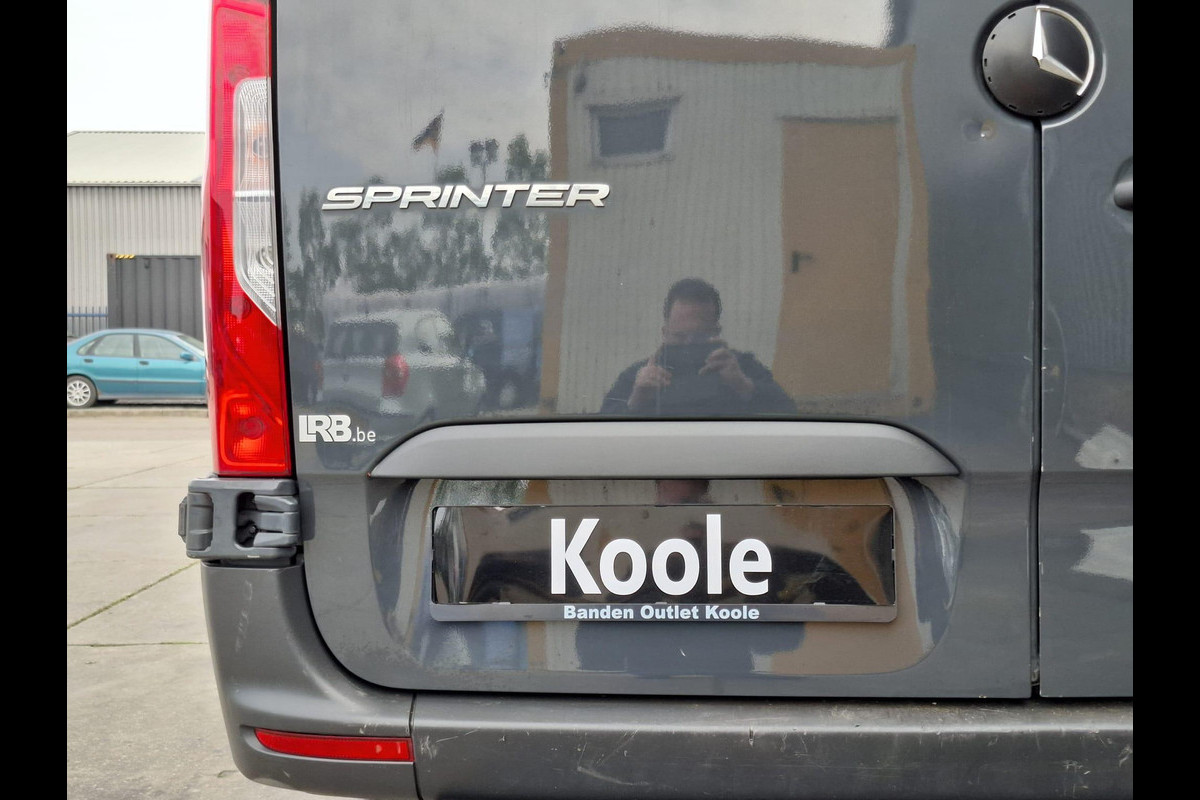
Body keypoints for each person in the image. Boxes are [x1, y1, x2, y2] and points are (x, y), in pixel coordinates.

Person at [600, 278, 796, 415]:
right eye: (679, 337)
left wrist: (744, 385)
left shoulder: (741, 368)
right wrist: (636, 400)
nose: (688, 345)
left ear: (716, 332)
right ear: (665, 332)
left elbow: (788, 415)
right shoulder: (640, 377)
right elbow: (604, 430)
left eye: (699, 337)